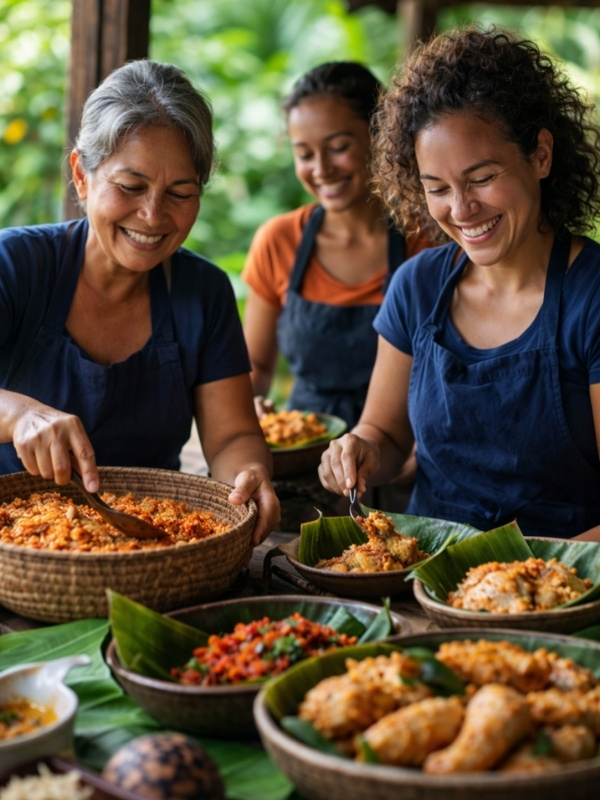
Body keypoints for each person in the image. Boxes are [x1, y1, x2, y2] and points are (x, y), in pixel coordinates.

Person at [318, 26, 600, 541]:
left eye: (483, 178)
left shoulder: (592, 296)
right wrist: (359, 448)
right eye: (438, 188)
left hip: (561, 589)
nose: (462, 209)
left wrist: (511, 579)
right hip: (424, 571)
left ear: (540, 154)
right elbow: (386, 434)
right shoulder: (418, 286)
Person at [0, 59, 280, 546]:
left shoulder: (204, 292)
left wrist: (249, 475)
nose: (152, 216)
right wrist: (17, 414)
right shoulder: (15, 265)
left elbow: (232, 436)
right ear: (82, 176)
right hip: (13, 542)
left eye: (180, 192)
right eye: (130, 187)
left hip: (149, 549)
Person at [242, 60, 431, 430]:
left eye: (338, 147)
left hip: (404, 451)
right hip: (307, 444)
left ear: (381, 136)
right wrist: (249, 407)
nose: (321, 169)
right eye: (305, 154)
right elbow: (258, 365)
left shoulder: (427, 242)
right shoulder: (278, 241)